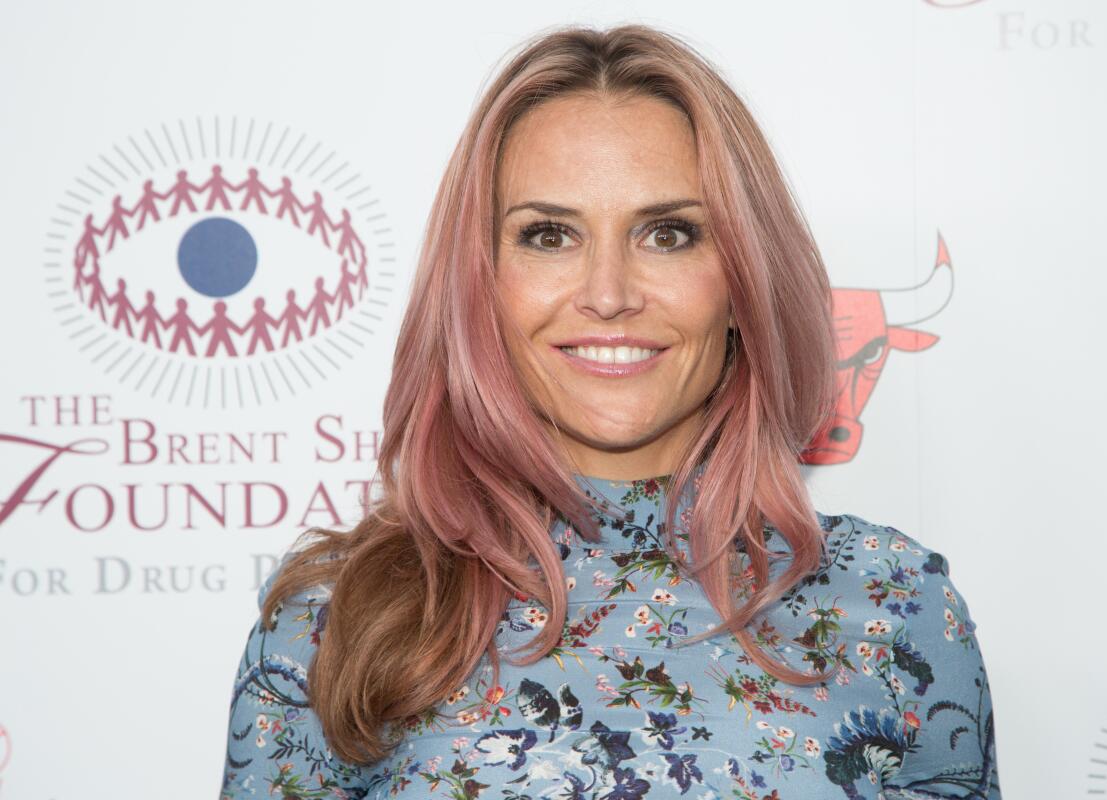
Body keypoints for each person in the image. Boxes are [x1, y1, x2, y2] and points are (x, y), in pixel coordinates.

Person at [219, 23, 1001, 800]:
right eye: (550, 235)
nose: (608, 293)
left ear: (742, 285)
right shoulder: (337, 620)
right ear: (479, 286)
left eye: (668, 233)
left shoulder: (895, 604)